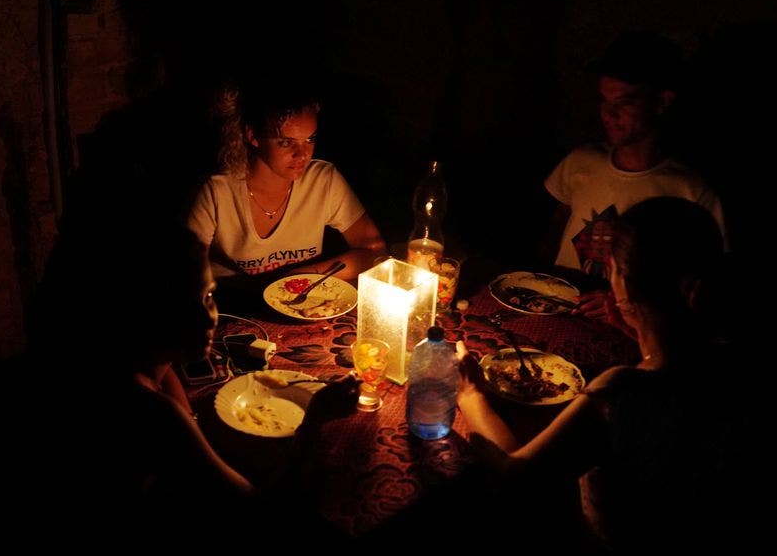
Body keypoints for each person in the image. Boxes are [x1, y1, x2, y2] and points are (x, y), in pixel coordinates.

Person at [30, 219, 361, 542]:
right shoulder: (150, 412)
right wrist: (314, 418)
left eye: (209, 297)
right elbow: (259, 515)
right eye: (181, 306)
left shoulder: (140, 363)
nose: (207, 319)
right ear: (139, 313)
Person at [457, 197, 741, 551]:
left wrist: (471, 397)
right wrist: (641, 329)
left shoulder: (624, 393)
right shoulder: (728, 363)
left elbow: (516, 476)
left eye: (615, 270)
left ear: (622, 282)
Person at [543, 31, 728, 322]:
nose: (609, 114)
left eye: (625, 103)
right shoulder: (581, 163)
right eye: (604, 100)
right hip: (561, 308)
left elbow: (705, 282)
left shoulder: (690, 191)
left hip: (630, 331)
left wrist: (623, 301)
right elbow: (556, 227)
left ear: (662, 102)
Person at [187, 81, 387, 309]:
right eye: (285, 143)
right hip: (233, 311)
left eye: (310, 139)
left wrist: (300, 277)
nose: (302, 154)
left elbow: (375, 251)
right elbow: (183, 272)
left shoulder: (323, 180)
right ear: (252, 136)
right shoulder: (216, 191)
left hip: (298, 307)